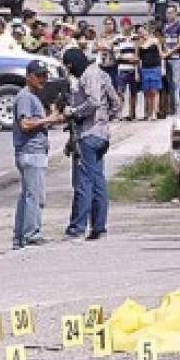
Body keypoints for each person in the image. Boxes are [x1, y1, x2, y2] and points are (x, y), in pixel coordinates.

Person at [63, 47, 121, 240]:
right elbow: (116, 103)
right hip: (101, 135)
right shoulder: (102, 74)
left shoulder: (89, 76)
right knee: (98, 182)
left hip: (88, 134)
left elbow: (94, 102)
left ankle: (78, 227)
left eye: (69, 66)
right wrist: (105, 120)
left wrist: (75, 112)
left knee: (84, 182)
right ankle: (98, 227)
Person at [12, 60, 64, 249]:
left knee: (27, 195)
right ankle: (31, 235)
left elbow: (38, 122)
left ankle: (20, 236)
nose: (43, 79)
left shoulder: (34, 97)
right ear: (29, 76)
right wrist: (48, 119)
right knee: (35, 197)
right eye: (39, 75)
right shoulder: (25, 97)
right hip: (31, 152)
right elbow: (25, 124)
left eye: (45, 75)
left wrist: (53, 119)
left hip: (35, 151)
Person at [162, 5, 180, 117]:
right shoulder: (164, 26)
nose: (169, 15)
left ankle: (179, 108)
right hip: (166, 59)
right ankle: (171, 108)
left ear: (176, 14)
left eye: (172, 12)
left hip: (176, 59)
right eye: (168, 12)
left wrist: (168, 52)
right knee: (169, 84)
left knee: (177, 83)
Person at [137, 23, 163, 121]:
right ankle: (149, 112)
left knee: (154, 90)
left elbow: (161, 55)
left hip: (155, 67)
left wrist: (162, 67)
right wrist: (137, 72)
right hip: (144, 68)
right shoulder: (139, 43)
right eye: (139, 32)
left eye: (142, 31)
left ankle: (154, 113)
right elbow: (138, 58)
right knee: (147, 92)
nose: (141, 33)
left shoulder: (155, 40)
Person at [115, 20, 140, 119]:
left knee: (133, 93)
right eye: (124, 25)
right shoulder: (117, 38)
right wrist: (130, 59)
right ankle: (119, 113)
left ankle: (132, 113)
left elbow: (138, 55)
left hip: (133, 69)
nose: (126, 27)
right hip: (122, 68)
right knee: (121, 92)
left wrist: (136, 67)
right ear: (121, 26)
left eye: (128, 24)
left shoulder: (135, 37)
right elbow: (117, 55)